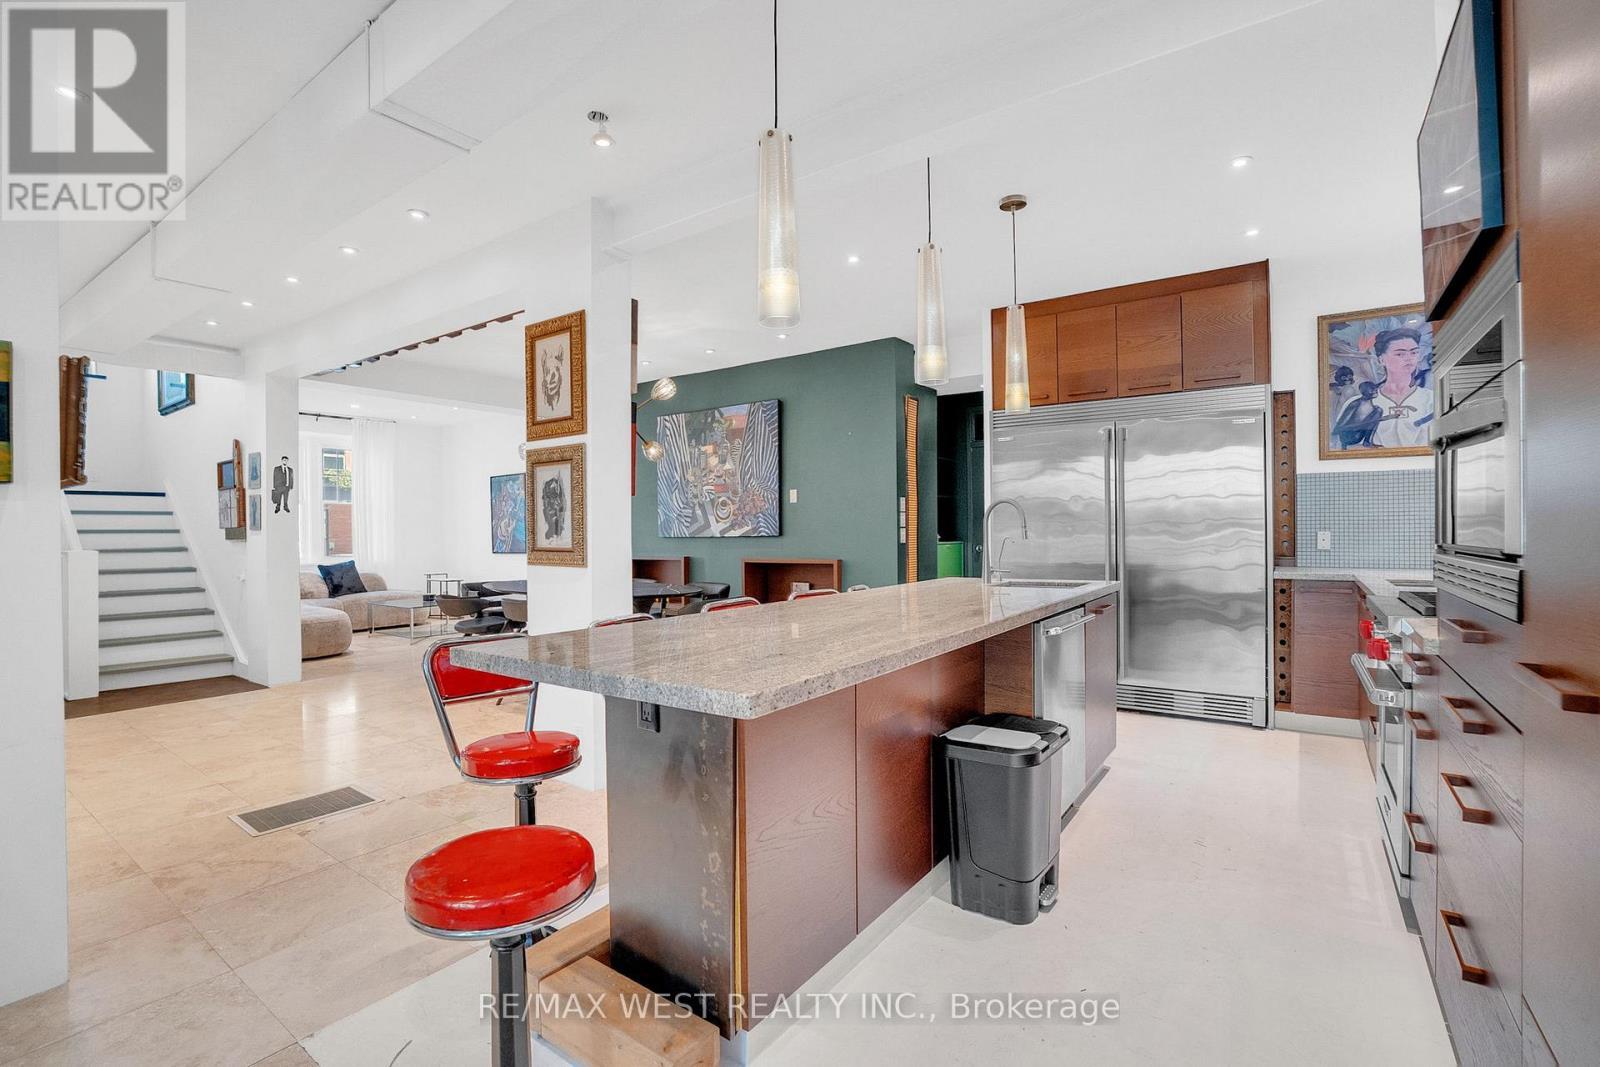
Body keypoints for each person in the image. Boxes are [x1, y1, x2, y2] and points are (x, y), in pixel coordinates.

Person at [1369, 327, 1432, 448]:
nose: (1409, 358)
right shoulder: (1364, 402)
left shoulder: (1431, 399)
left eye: (1414, 352)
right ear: (1381, 359)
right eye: (1400, 354)